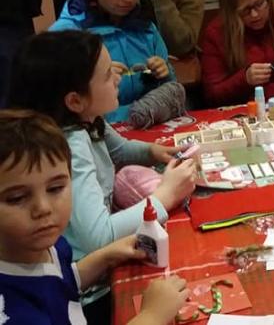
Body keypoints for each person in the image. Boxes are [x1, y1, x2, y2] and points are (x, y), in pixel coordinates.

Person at [8, 30, 196, 322]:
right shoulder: (68, 144)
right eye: (108, 74)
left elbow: (61, 279)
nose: (119, 78)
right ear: (75, 100)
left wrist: (153, 151)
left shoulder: (86, 121)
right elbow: (97, 237)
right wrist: (165, 196)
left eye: (56, 188)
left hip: (87, 276)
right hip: (94, 298)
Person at [0, 109, 190, 325]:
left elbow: (59, 280)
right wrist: (152, 316)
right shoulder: (13, 313)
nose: (43, 208)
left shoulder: (41, 245)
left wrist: (106, 256)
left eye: (55, 188)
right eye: (16, 198)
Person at [50, 0, 175, 122]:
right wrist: (99, 81)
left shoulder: (144, 25)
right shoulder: (65, 36)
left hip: (149, 124)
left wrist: (165, 73)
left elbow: (171, 91)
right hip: (95, 133)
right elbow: (59, 108)